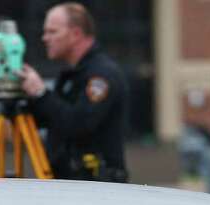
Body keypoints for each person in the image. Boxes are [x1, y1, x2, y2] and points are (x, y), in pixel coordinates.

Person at [19, 3, 129, 182]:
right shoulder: (72, 75)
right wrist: (27, 97)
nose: (45, 38)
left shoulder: (101, 75)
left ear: (76, 34)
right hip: (73, 184)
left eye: (52, 32)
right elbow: (53, 119)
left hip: (97, 188)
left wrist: (41, 93)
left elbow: (79, 124)